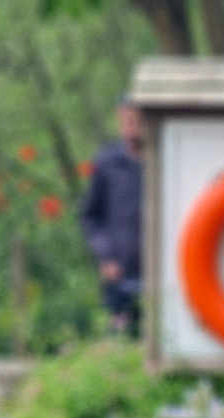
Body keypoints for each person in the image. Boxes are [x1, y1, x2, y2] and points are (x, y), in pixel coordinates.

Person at [79, 97, 143, 338]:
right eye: (127, 120)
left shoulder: (161, 161)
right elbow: (90, 217)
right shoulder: (107, 164)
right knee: (120, 339)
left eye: (137, 120)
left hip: (157, 276)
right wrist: (106, 257)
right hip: (119, 274)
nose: (132, 126)